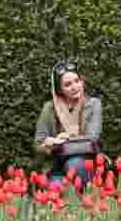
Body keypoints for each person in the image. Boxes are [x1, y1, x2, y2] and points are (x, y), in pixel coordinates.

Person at [35, 60, 103, 191]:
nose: (74, 87)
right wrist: (50, 144)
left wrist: (63, 139)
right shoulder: (50, 108)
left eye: (77, 81)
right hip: (56, 165)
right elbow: (38, 144)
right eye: (67, 84)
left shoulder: (93, 104)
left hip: (85, 161)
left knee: (75, 164)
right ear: (59, 89)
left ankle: (86, 200)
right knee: (56, 189)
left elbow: (92, 138)